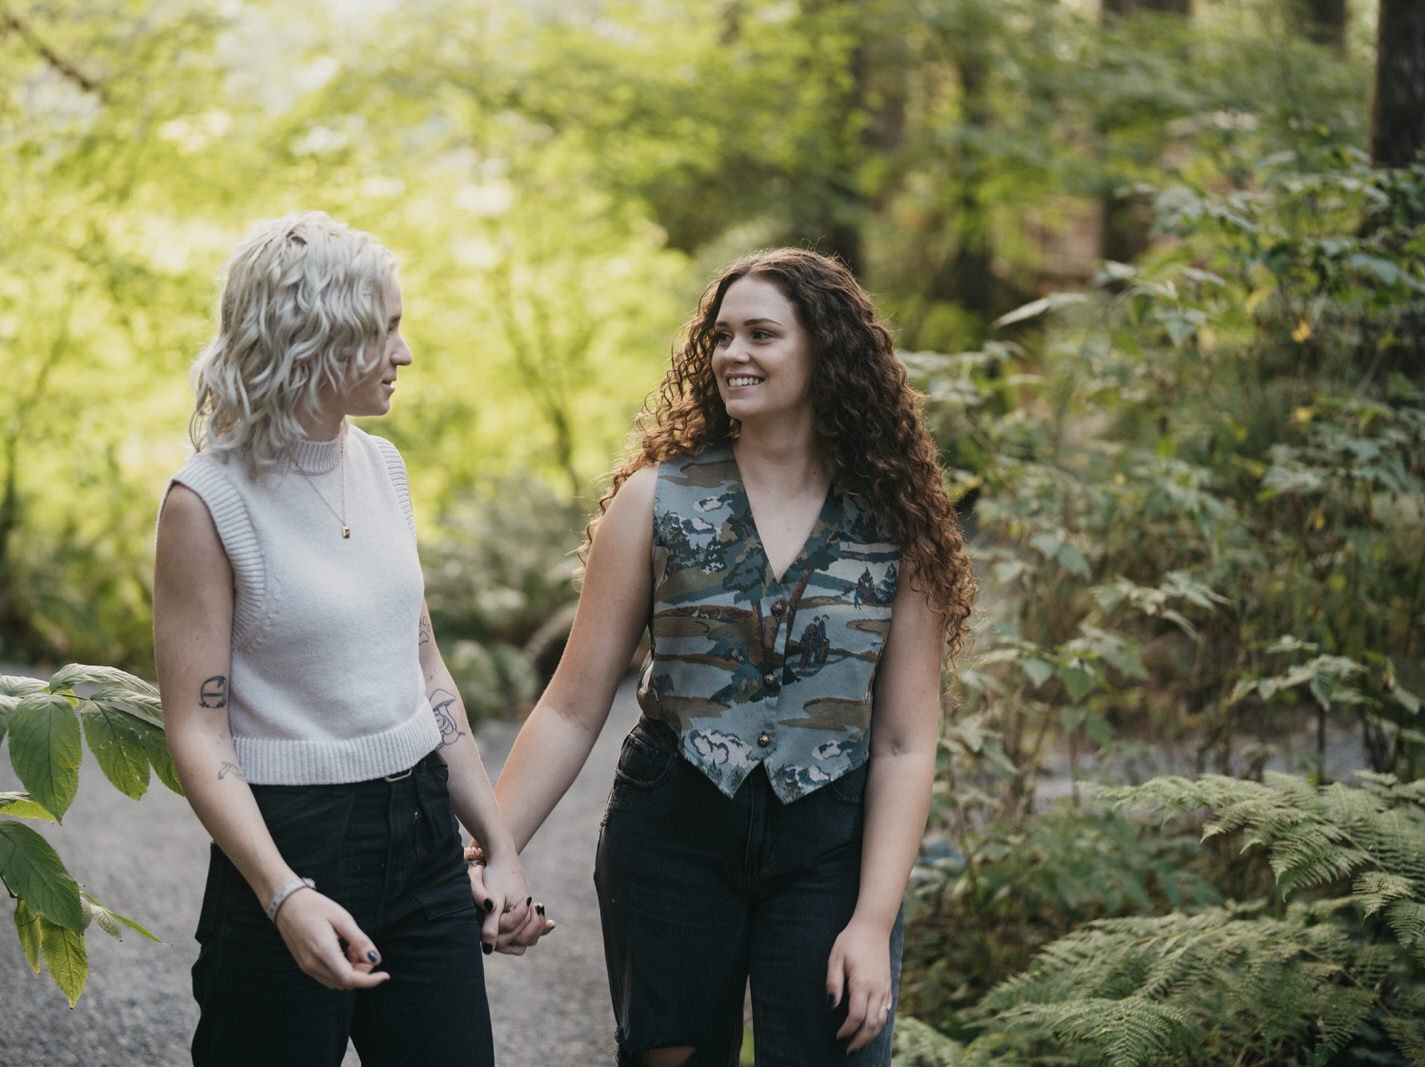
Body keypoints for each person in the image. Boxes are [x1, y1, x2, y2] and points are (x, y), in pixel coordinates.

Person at [480, 248, 975, 1065]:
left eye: (761, 335)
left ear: (825, 350)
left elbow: (904, 742)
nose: (733, 354)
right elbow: (572, 705)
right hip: (672, 826)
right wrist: (493, 852)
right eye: (722, 336)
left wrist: (873, 920)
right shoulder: (653, 499)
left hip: (829, 843)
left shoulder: (896, 523)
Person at [153, 212, 547, 1066]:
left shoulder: (385, 469)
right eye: (384, 330)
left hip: (422, 831)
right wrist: (284, 893)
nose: (404, 353)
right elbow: (196, 727)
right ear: (312, 337)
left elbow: (424, 666)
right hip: (289, 837)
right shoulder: (205, 502)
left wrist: (501, 845)